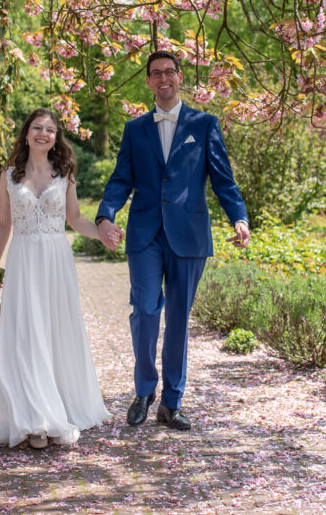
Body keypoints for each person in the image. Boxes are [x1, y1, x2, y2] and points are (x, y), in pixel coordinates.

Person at [95, 50, 250, 431]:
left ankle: (171, 402)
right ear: (148, 81)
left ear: (179, 77)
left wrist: (239, 217)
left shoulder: (205, 123)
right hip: (145, 233)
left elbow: (222, 178)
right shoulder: (135, 130)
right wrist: (105, 216)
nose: (163, 79)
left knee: (178, 320)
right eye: (155, 74)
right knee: (146, 310)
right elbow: (120, 179)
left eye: (169, 72)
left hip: (190, 234)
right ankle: (144, 389)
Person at [0, 108, 114, 449]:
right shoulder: (10, 175)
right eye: (37, 127)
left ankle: (56, 410)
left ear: (57, 137)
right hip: (24, 259)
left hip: (56, 262)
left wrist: (102, 234)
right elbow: (2, 225)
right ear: (26, 133)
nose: (43, 133)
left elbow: (75, 219)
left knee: (54, 333)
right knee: (26, 336)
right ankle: (33, 421)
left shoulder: (65, 173)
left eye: (50, 129)